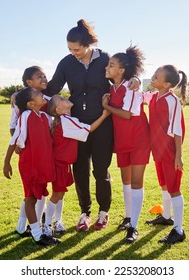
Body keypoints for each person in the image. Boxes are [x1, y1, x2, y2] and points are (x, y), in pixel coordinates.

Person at [43, 19, 140, 231]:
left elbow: (123, 74)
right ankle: (84, 213)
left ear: (87, 43)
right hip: (77, 125)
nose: (73, 53)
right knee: (80, 170)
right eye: (69, 49)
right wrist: (26, 93)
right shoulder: (66, 63)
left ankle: (103, 212)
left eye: (76, 49)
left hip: (103, 122)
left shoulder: (104, 58)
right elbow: (52, 88)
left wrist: (137, 81)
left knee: (101, 170)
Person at [42, 95, 110, 236]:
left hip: (64, 164)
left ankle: (57, 222)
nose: (65, 97)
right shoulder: (67, 121)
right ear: (59, 109)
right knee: (56, 195)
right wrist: (104, 114)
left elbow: (49, 99)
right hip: (60, 164)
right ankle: (47, 225)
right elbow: (90, 129)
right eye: (62, 99)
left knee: (60, 194)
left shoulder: (63, 118)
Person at [102, 46, 150, 243]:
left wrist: (107, 106)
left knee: (137, 183)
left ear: (121, 70)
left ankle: (134, 227)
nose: (107, 67)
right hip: (122, 140)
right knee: (126, 182)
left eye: (111, 65)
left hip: (138, 139)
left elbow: (127, 114)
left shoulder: (130, 86)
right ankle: (129, 217)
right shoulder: (112, 88)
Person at [3, 87, 60, 246]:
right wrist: (6, 162)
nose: (41, 94)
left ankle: (26, 230)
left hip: (42, 165)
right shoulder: (26, 116)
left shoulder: (43, 116)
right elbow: (15, 139)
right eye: (37, 94)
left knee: (37, 196)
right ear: (31, 104)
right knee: (30, 198)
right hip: (30, 164)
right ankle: (37, 235)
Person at [144, 65, 188, 244]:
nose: (153, 77)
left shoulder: (173, 100)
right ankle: (166, 216)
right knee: (164, 184)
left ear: (167, 84)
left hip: (170, 150)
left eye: (156, 76)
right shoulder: (154, 96)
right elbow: (138, 96)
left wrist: (178, 155)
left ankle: (178, 229)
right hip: (158, 150)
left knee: (174, 188)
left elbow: (178, 129)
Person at [9, 66, 51, 237]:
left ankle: (30, 225)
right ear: (29, 82)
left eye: (44, 75)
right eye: (39, 76)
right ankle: (24, 226)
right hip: (30, 154)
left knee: (39, 191)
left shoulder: (48, 100)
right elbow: (13, 126)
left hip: (45, 152)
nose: (44, 78)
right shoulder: (20, 102)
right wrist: (19, 144)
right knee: (31, 192)